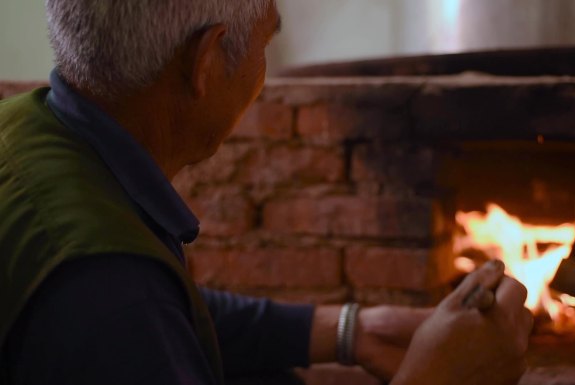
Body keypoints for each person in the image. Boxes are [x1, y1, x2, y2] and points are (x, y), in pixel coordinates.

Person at [0, 1, 533, 384]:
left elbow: (167, 313)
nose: (263, 71)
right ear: (207, 63)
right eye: (265, 42)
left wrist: (352, 331)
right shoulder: (105, 290)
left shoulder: (26, 127)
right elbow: (129, 310)